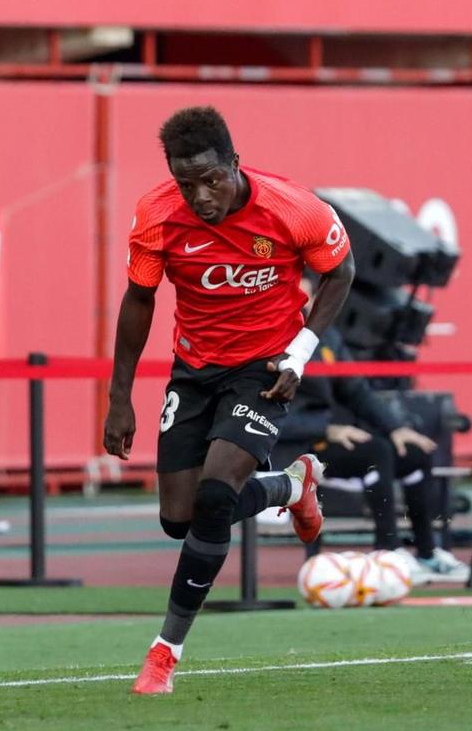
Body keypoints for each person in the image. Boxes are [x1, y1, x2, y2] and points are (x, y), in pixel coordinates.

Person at [105, 106, 357, 695]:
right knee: (179, 518)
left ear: (234, 164)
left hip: (264, 370)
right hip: (193, 369)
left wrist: (299, 353)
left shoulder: (293, 209)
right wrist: (120, 397)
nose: (199, 195)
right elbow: (138, 300)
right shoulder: (156, 215)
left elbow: (339, 271)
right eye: (185, 182)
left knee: (217, 496)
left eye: (210, 178)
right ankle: (292, 486)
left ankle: (163, 654)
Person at [276, 326, 467, 582]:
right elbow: (263, 410)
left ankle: (427, 553)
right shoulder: (270, 337)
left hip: (330, 437)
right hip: (293, 446)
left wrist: (396, 427)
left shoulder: (327, 336)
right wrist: (324, 429)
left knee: (414, 453)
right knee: (376, 452)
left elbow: (357, 392)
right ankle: (388, 553)